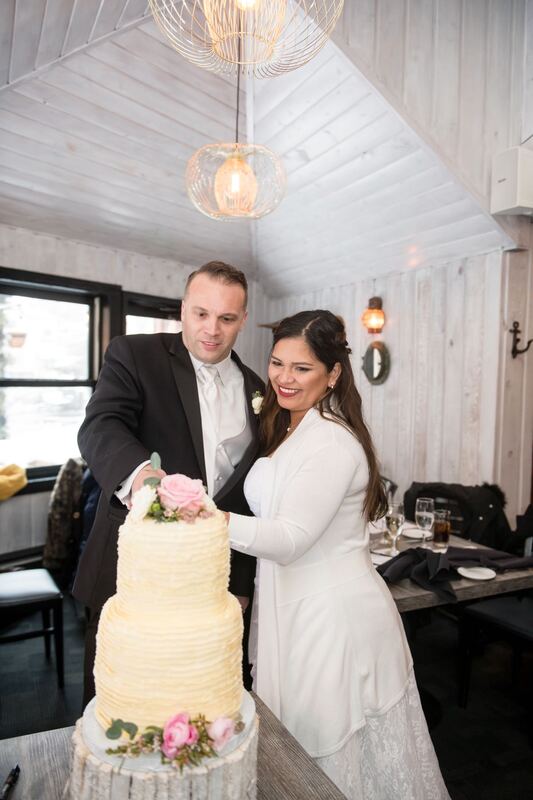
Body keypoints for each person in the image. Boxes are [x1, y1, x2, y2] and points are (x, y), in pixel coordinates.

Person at [225, 310, 450, 800]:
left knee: (325, 762)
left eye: (301, 368)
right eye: (278, 363)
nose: (284, 378)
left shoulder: (331, 441)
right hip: (294, 609)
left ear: (333, 374)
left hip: (332, 621)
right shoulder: (288, 427)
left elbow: (288, 539)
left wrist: (205, 517)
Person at [73, 261, 264, 706]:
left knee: (192, 706)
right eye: (201, 313)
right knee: (116, 704)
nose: (212, 329)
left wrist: (240, 585)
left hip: (208, 585)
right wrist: (142, 478)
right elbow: (100, 426)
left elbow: (248, 496)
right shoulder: (135, 354)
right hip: (132, 571)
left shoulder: (259, 389)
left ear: (243, 320)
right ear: (183, 309)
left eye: (226, 318)